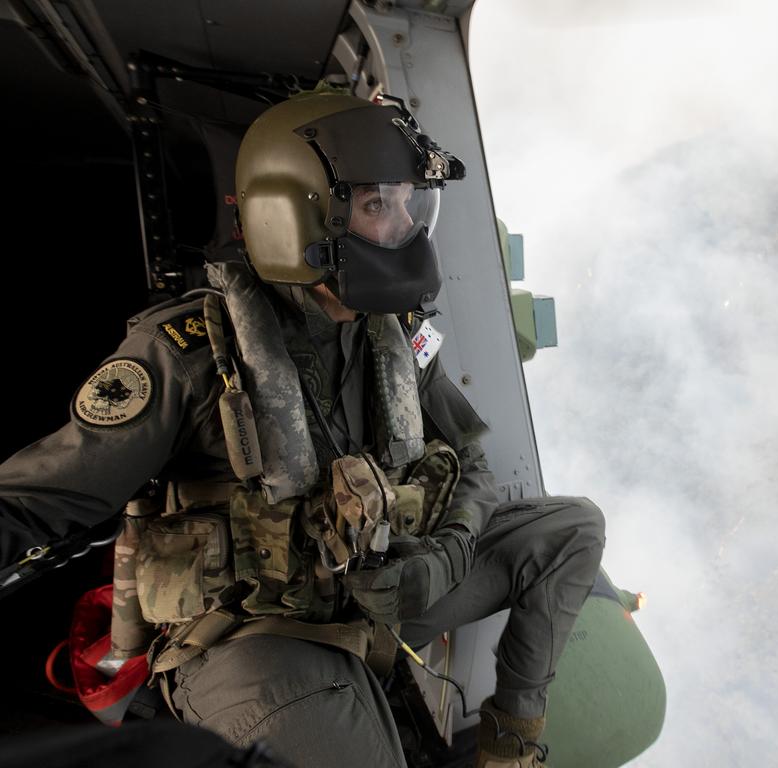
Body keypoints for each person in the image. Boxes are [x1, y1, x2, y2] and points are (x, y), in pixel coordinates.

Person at [0, 82, 605, 768]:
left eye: (411, 201)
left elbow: (470, 463)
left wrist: (447, 557)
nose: (404, 224)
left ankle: (510, 748)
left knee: (569, 529)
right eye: (378, 204)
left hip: (378, 593)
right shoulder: (190, 356)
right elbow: (30, 499)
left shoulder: (395, 339)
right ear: (294, 219)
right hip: (255, 634)